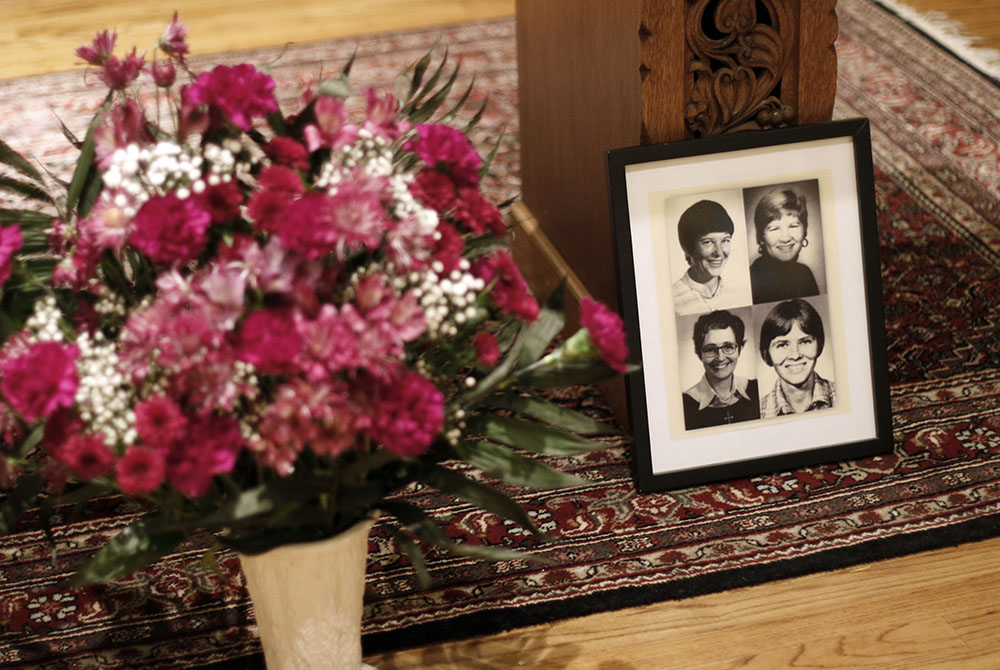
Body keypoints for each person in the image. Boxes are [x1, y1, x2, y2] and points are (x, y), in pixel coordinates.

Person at [682, 310, 760, 430]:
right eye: (710, 349)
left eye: (728, 347)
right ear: (698, 353)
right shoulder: (684, 405)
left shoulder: (757, 390)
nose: (720, 357)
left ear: (740, 348)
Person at [758, 299, 835, 417]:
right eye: (782, 345)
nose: (795, 355)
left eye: (804, 342)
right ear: (766, 353)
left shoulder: (844, 395)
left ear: (819, 345)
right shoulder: (759, 411)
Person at [671, 199, 745, 315]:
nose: (719, 252)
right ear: (689, 248)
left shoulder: (741, 292)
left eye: (725, 240)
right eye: (708, 242)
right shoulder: (672, 301)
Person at [748, 189, 820, 304]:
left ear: (804, 231)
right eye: (775, 228)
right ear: (761, 237)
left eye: (793, 226)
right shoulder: (752, 280)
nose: (785, 238)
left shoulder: (805, 274)